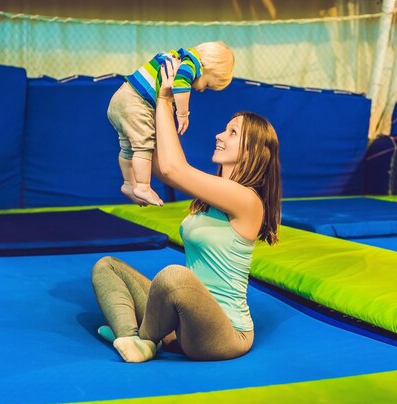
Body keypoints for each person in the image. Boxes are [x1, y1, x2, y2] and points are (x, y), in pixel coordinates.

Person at [92, 56, 281, 363]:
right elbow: (163, 169)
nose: (219, 135)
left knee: (173, 277)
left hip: (225, 334)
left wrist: (166, 100)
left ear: (253, 151)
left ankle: (144, 338)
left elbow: (173, 168)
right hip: (184, 323)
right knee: (107, 267)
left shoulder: (248, 201)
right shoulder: (210, 199)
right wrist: (135, 118)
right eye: (225, 130)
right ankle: (133, 339)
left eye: (232, 133)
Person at [107, 41, 235, 207]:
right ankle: (143, 186)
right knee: (144, 146)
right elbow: (180, 85)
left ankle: (129, 183)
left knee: (127, 147)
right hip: (136, 102)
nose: (202, 90)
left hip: (120, 98)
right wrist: (182, 113)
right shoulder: (190, 65)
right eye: (208, 84)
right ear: (208, 68)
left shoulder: (177, 58)